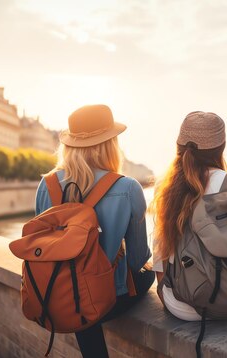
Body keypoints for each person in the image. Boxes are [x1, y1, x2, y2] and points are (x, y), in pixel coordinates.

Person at [35, 104, 154, 358]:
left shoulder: (47, 185)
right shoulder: (128, 188)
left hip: (56, 293)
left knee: (77, 281)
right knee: (147, 274)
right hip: (108, 298)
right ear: (110, 144)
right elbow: (137, 260)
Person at [151, 111, 227, 321]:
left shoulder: (164, 187)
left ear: (179, 147)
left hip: (178, 304)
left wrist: (165, 293)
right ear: (221, 148)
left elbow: (160, 257)